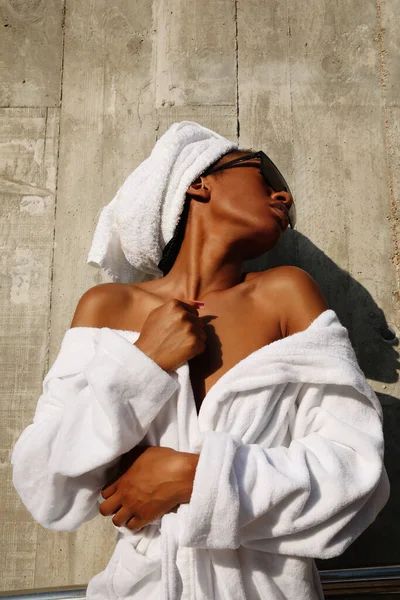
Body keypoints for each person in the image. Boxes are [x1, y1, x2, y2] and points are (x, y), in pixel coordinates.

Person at [11, 123, 390, 600]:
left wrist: (196, 478)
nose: (284, 195)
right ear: (198, 181)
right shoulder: (108, 307)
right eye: (264, 172)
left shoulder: (285, 295)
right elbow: (45, 485)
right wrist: (144, 364)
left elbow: (355, 474)